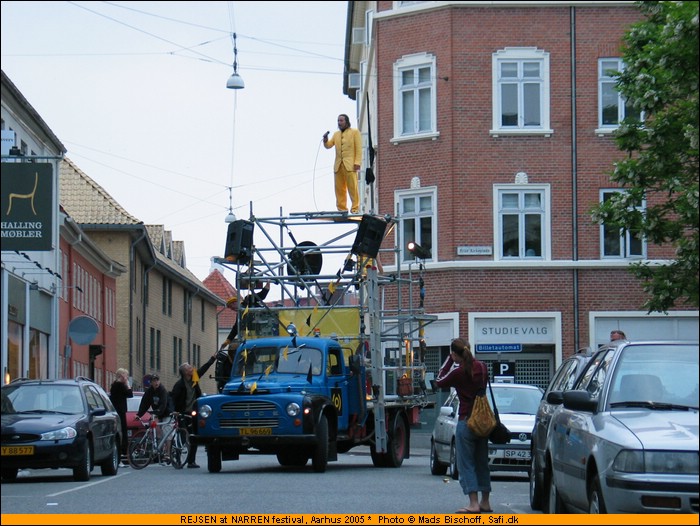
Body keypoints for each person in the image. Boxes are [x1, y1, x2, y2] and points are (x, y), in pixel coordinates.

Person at [435, 338, 493, 514]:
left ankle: (473, 503)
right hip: (482, 421)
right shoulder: (482, 367)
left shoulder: (458, 373)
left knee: (466, 463)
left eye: (452, 354)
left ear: (454, 354)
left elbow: (439, 380)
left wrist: (449, 361)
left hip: (466, 421)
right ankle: (485, 501)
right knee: (482, 461)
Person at [170, 355, 217, 468]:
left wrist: (212, 359)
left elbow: (203, 370)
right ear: (185, 372)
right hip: (182, 413)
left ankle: (191, 461)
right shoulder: (179, 385)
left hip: (194, 412)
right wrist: (174, 411)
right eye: (190, 368)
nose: (192, 369)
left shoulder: (194, 379)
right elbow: (172, 399)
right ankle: (178, 458)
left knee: (194, 435)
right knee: (181, 436)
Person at [323, 114, 362, 214]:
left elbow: (358, 149)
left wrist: (357, 162)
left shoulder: (354, 132)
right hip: (338, 165)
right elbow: (328, 145)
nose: (339, 123)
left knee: (352, 187)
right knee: (339, 189)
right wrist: (325, 140)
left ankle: (355, 208)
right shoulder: (336, 134)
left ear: (346, 122)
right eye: (338, 121)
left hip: (350, 165)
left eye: (341, 121)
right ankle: (342, 209)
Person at [221, 281, 271, 348]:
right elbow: (236, 327)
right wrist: (228, 340)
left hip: (264, 325)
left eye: (231, 306)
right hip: (253, 334)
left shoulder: (248, 300)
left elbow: (261, 296)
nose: (232, 309)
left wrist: (267, 287)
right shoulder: (239, 314)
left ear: (235, 302)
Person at [109, 367, 133, 466]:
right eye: (126, 375)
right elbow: (130, 394)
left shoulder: (114, 385)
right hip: (120, 412)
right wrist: (128, 384)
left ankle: (120, 458)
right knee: (121, 435)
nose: (127, 377)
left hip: (117, 412)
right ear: (122, 376)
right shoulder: (120, 385)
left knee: (121, 434)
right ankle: (120, 458)